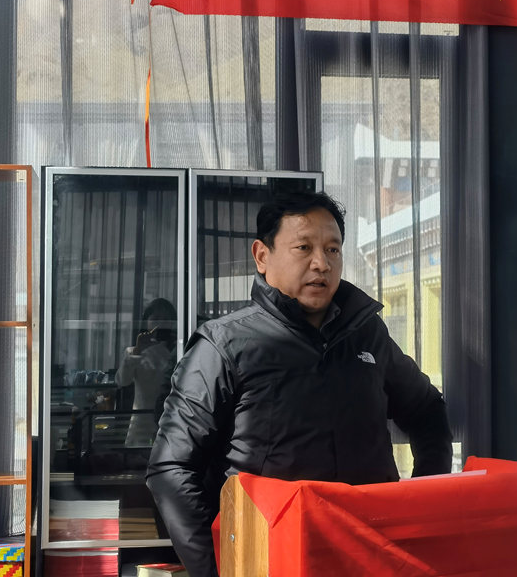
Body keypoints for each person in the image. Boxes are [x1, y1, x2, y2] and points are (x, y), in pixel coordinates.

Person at [146, 191, 453, 577]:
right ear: (262, 256)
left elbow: (427, 410)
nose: (321, 263)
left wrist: (420, 509)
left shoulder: (367, 335)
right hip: (270, 560)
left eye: (333, 249)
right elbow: (171, 467)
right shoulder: (225, 345)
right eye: (304, 247)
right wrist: (218, 568)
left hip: (371, 558)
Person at [115, 297, 177, 448]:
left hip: (172, 421)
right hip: (142, 424)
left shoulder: (178, 350)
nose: (160, 324)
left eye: (166, 319)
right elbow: (122, 381)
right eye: (155, 319)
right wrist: (138, 350)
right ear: (146, 322)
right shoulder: (134, 352)